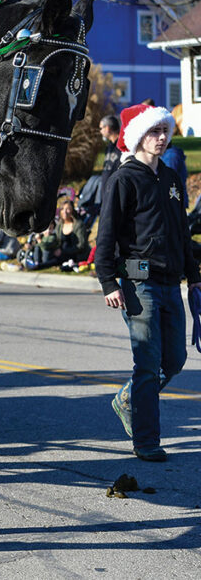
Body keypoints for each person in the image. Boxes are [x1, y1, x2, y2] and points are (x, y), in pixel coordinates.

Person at [95, 102, 201, 462]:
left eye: (165, 131)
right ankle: (146, 440)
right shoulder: (124, 179)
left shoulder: (170, 177)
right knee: (147, 361)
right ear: (138, 136)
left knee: (174, 360)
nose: (161, 138)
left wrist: (195, 276)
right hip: (139, 281)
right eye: (154, 132)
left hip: (172, 281)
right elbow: (106, 235)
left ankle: (127, 399)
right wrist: (108, 281)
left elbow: (181, 231)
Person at [26, 200, 89, 270]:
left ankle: (38, 266)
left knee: (57, 260)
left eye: (68, 209)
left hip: (75, 254)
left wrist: (63, 251)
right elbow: (56, 241)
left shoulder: (79, 225)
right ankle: (33, 262)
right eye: (62, 209)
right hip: (61, 252)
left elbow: (81, 246)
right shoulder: (60, 225)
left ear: (72, 211)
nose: (64, 211)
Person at [98, 114, 121, 196]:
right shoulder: (109, 146)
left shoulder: (122, 146)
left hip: (116, 192)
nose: (100, 131)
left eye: (101, 128)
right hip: (106, 192)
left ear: (107, 128)